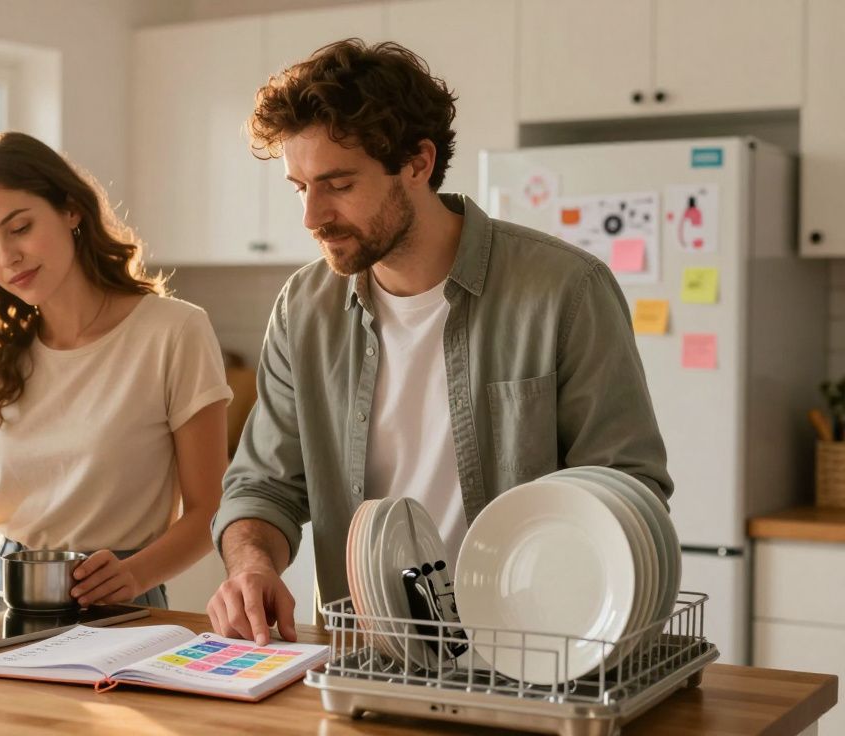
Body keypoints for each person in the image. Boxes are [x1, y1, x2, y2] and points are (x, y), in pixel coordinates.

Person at [207, 39, 672, 644]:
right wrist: (252, 565)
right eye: (300, 187)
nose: (312, 217)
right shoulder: (304, 309)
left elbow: (628, 484)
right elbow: (262, 485)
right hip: (368, 656)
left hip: (536, 651)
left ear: (418, 163)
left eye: (338, 184)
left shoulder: (565, 289)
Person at [0, 132, 232, 608]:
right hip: (6, 592)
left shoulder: (174, 332)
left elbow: (210, 510)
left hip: (120, 596)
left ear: (71, 209)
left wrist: (134, 575)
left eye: (19, 228)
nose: (7, 258)